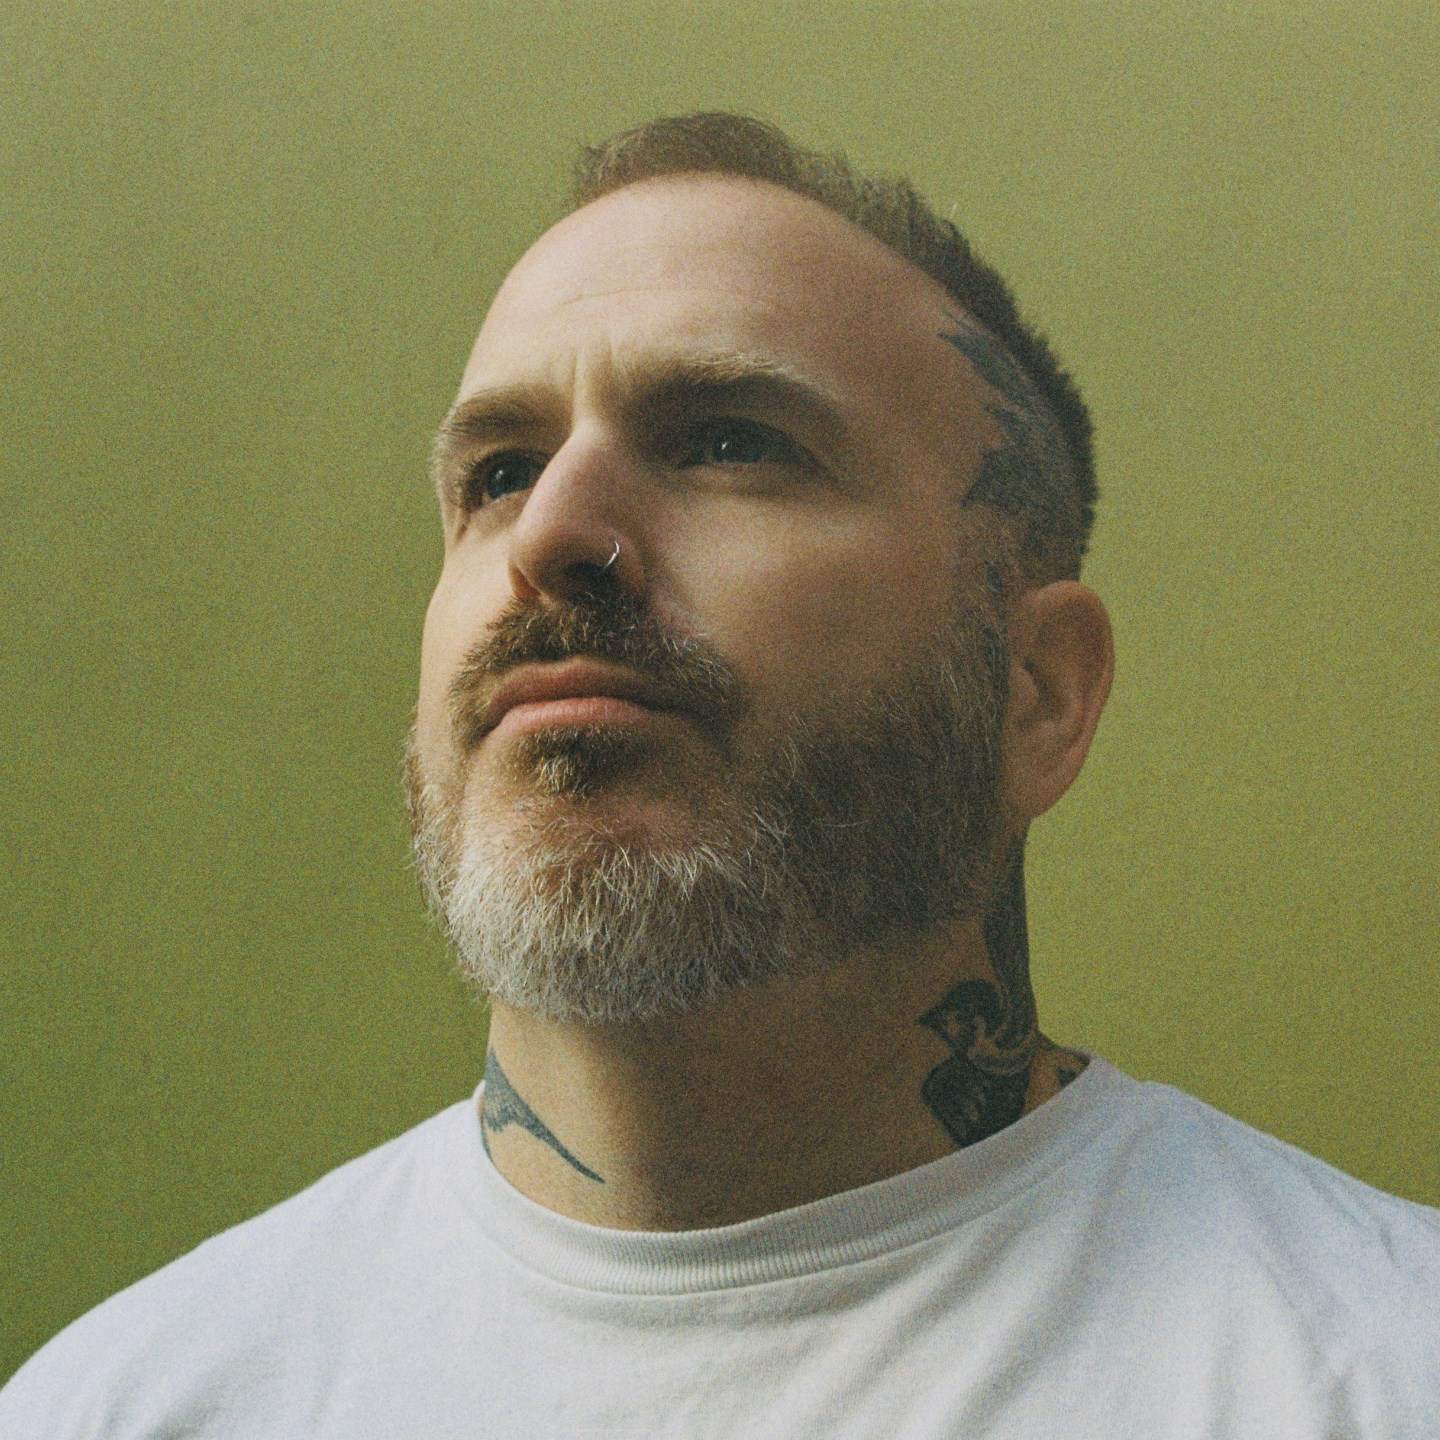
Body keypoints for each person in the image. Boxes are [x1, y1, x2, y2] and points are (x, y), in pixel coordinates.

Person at [4, 111, 1436, 1438]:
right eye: (499, 471)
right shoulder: (130, 1406)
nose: (552, 534)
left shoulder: (1370, 1373)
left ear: (1034, 691)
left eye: (730, 443)